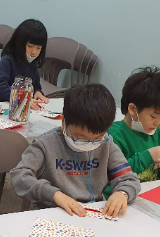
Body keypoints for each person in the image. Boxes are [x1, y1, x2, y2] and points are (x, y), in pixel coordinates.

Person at [10, 83, 141, 218]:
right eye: (80, 137)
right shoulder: (45, 144)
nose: (89, 144)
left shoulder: (106, 143)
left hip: (92, 212)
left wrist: (123, 193)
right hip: (52, 211)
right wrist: (54, 194)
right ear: (64, 122)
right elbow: (19, 176)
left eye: (96, 138)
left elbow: (129, 179)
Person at [107, 67, 160, 185]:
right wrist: (148, 157)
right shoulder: (114, 136)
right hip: (121, 195)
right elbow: (112, 174)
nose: (158, 122)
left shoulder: (156, 133)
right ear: (132, 109)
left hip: (148, 194)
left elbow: (158, 175)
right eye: (153, 116)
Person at [0, 18, 50, 109]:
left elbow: (36, 87)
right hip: (4, 108)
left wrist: (38, 93)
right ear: (20, 43)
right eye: (30, 46)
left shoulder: (32, 66)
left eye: (38, 48)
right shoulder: (7, 62)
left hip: (23, 110)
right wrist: (22, 99)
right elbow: (0, 89)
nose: (34, 52)